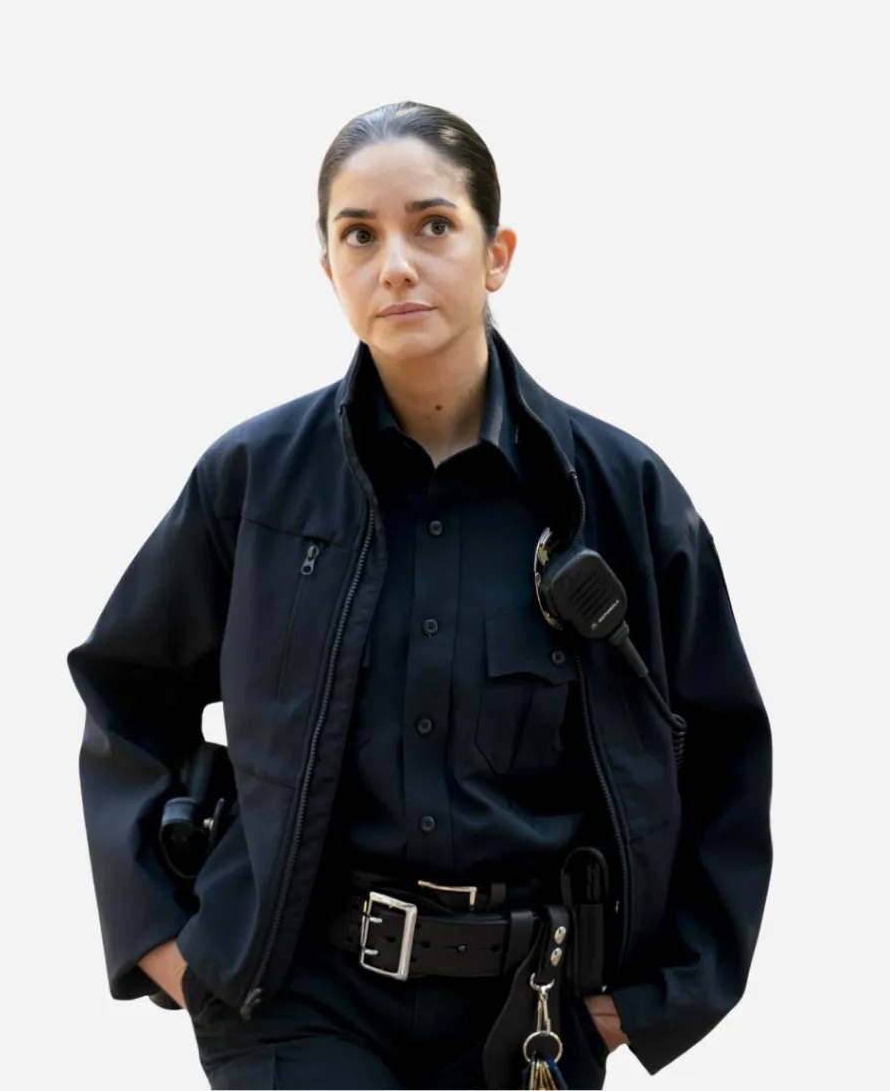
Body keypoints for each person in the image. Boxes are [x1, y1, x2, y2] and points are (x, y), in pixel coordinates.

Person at [68, 101, 773, 1090]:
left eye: (433, 225)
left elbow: (725, 745)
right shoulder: (252, 482)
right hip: (298, 999)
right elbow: (125, 691)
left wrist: (659, 997)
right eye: (359, 235)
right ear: (329, 270)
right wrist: (161, 941)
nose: (394, 264)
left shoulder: (623, 496)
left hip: (530, 1009)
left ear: (497, 255)